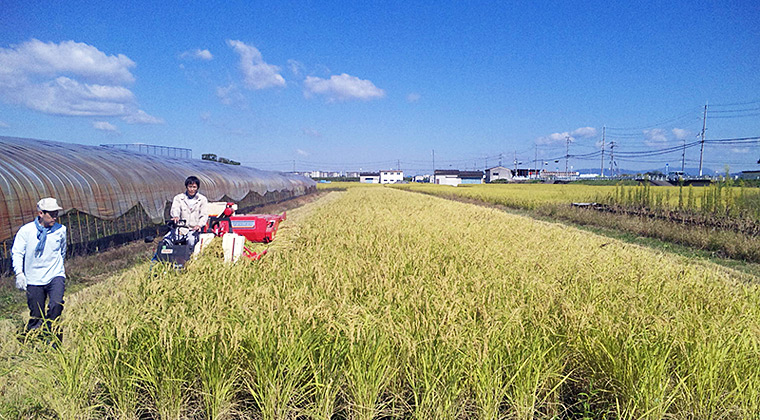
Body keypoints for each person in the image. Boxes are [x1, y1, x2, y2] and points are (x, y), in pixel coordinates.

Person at [11, 197, 67, 333]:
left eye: (56, 214)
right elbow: (17, 252)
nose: (55, 217)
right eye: (51, 214)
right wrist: (19, 273)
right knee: (36, 313)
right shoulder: (26, 231)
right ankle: (34, 339)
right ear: (41, 214)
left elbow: (62, 251)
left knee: (56, 305)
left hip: (55, 274)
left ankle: (52, 337)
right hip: (34, 278)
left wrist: (59, 268)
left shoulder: (61, 230)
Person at [170, 176, 209, 250]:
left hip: (194, 229)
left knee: (191, 241)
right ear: (186, 187)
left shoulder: (202, 200)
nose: (192, 189)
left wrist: (199, 225)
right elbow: (175, 208)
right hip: (181, 228)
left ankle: (189, 258)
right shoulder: (179, 198)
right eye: (190, 187)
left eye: (194, 187)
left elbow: (204, 215)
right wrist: (176, 216)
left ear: (197, 188)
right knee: (168, 239)